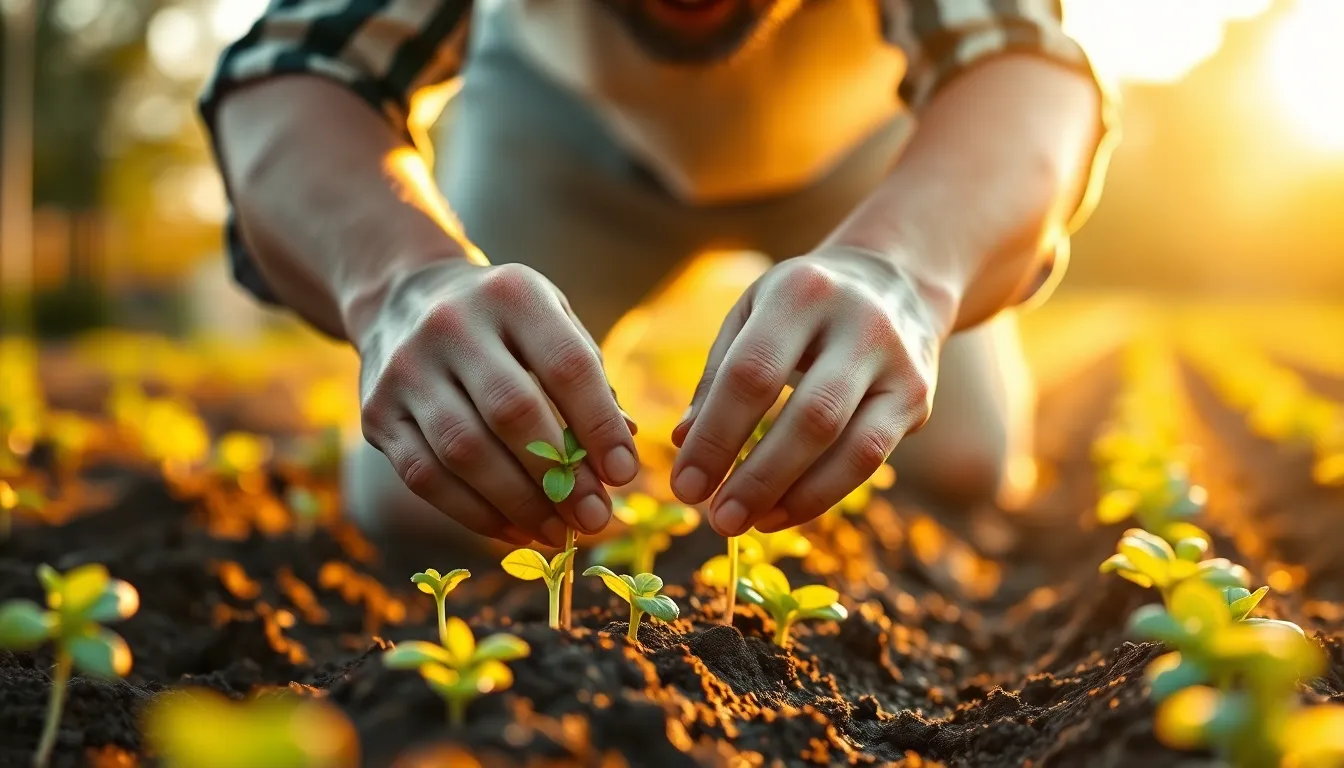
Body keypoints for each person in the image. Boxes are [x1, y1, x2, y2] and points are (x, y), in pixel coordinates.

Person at [200, 0, 1116, 549]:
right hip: (560, 138)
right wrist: (398, 282)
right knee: (431, 490)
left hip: (863, 159)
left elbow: (1021, 65)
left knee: (961, 461)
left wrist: (906, 273)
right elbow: (300, 65)